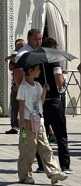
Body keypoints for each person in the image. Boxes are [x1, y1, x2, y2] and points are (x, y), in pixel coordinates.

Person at [16, 63, 67, 185]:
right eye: (37, 69)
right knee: (28, 149)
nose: (39, 71)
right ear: (30, 70)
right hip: (28, 121)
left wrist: (44, 92)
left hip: (38, 120)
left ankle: (54, 173)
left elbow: (40, 102)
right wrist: (22, 121)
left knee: (45, 147)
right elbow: (21, 105)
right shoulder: (23, 86)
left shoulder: (38, 85)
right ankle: (24, 175)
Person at [40, 37, 70, 174]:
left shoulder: (36, 62)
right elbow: (59, 82)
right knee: (61, 134)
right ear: (52, 48)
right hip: (54, 100)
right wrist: (62, 80)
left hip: (40, 101)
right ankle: (65, 165)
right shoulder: (54, 62)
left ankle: (41, 165)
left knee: (42, 135)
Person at [5, 38, 25, 134]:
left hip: (26, 84)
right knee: (14, 105)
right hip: (16, 84)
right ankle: (14, 125)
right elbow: (11, 68)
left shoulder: (28, 55)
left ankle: (24, 125)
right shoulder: (14, 55)